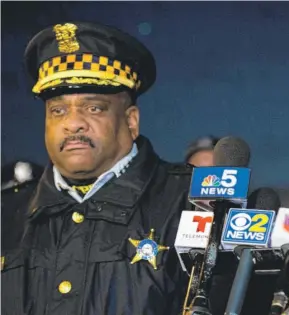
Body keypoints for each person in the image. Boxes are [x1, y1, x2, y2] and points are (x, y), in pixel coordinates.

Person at [1, 21, 194, 315]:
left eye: (93, 108)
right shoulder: (6, 214)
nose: (73, 122)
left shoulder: (193, 204)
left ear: (131, 121)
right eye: (58, 110)